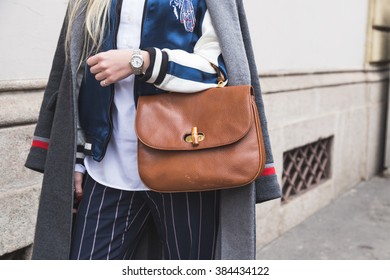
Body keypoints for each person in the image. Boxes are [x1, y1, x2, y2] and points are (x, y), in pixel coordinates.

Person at [25, 0, 281, 260]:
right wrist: (77, 158)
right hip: (107, 168)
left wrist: (143, 61)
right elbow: (77, 76)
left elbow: (217, 71)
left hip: (187, 164)